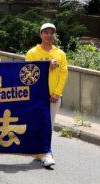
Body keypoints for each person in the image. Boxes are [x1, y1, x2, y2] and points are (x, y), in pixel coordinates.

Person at [25, 23, 68, 168]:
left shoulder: (60, 54)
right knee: (38, 124)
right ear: (40, 34)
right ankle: (40, 152)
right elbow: (28, 74)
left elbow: (63, 74)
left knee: (48, 125)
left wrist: (57, 93)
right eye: (46, 32)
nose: (49, 35)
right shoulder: (32, 53)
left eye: (52, 33)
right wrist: (45, 68)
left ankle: (46, 153)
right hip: (37, 96)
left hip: (53, 96)